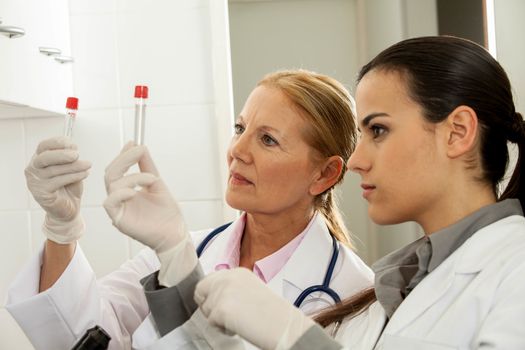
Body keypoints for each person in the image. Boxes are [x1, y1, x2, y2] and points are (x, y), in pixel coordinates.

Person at [191, 36, 525, 349]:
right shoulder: (388, 295)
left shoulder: (513, 267)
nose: (356, 161)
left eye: (378, 130)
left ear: (457, 132)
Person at [5, 69, 373, 349]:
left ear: (324, 174)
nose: (238, 150)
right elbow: (77, 336)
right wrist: (61, 229)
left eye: (267, 139)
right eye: (239, 128)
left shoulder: (354, 293)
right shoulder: (183, 251)